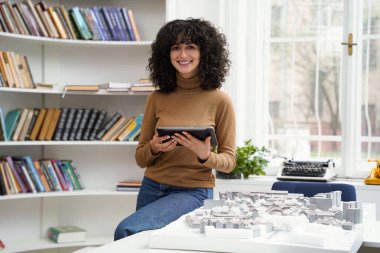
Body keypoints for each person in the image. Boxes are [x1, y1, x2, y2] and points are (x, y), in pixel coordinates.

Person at [114, 18, 236, 240]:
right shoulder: (156, 98)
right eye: (176, 47)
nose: (183, 54)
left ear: (205, 52)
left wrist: (205, 155)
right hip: (151, 186)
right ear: (166, 54)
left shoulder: (220, 101)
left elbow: (229, 162)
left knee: (126, 230)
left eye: (190, 47)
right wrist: (154, 147)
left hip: (192, 191)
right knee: (141, 244)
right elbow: (141, 158)